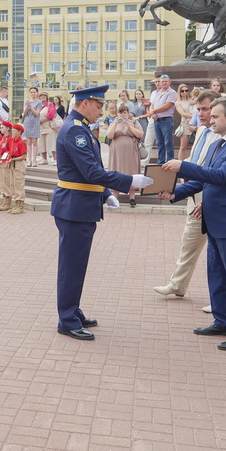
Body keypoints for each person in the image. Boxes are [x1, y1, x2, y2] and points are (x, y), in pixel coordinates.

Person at [52, 85, 152, 340]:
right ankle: (67, 319)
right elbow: (92, 172)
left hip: (80, 204)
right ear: (85, 103)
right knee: (71, 266)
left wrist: (105, 193)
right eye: (98, 106)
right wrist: (128, 180)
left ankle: (73, 310)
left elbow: (90, 169)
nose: (101, 111)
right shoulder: (76, 130)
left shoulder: (81, 127)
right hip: (74, 207)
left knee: (78, 264)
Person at [160, 96, 226, 352]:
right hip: (214, 219)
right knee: (217, 274)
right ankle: (224, 321)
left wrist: (184, 166)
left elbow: (222, 176)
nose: (209, 120)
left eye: (215, 116)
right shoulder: (220, 144)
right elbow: (207, 181)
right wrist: (176, 194)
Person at [153, 90, 222, 298]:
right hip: (195, 198)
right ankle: (177, 284)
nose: (200, 113)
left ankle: (220, 301)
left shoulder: (225, 137)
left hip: (213, 202)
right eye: (198, 109)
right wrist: (172, 186)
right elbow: (193, 162)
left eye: (206, 109)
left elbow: (218, 175)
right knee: (188, 245)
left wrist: (181, 168)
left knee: (219, 255)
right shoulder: (201, 131)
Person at [106, 104, 144, 207]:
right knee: (117, 171)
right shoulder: (114, 123)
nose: (122, 115)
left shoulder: (134, 122)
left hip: (131, 152)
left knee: (131, 172)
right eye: (120, 112)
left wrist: (130, 126)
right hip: (117, 153)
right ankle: (115, 197)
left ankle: (132, 198)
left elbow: (140, 134)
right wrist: (114, 124)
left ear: (128, 113)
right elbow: (109, 135)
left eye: (124, 112)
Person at [149, 74, 178, 164]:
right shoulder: (157, 92)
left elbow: (166, 106)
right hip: (157, 120)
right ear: (160, 83)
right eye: (162, 81)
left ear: (169, 82)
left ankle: (170, 162)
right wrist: (152, 113)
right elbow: (152, 104)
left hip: (166, 120)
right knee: (159, 143)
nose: (164, 83)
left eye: (166, 81)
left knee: (168, 143)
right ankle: (160, 162)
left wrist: (153, 111)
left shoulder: (172, 93)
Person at [6, 123, 27, 214]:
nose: (12, 132)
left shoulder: (21, 142)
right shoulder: (12, 141)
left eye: (14, 131)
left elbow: (24, 156)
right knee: (13, 184)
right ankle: (15, 204)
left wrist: (13, 159)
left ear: (19, 132)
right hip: (12, 163)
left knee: (19, 184)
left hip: (18, 163)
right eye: (12, 130)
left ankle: (20, 205)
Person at [22, 86, 43, 167]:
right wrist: (27, 107)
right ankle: (29, 160)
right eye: (31, 92)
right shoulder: (27, 101)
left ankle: (34, 160)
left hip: (35, 122)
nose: (33, 93)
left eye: (34, 92)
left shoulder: (39, 102)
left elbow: (37, 113)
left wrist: (31, 107)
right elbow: (24, 113)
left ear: (37, 93)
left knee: (34, 142)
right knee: (28, 142)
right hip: (27, 122)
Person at [175, 84, 194, 160]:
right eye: (182, 91)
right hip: (185, 124)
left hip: (194, 123)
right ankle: (180, 162)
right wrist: (194, 116)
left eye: (186, 90)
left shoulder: (191, 100)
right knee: (183, 146)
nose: (184, 92)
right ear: (179, 92)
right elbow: (182, 113)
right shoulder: (178, 102)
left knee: (195, 144)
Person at [38, 92, 57, 165]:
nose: (42, 97)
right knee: (42, 144)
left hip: (49, 127)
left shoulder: (50, 104)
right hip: (41, 128)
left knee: (52, 144)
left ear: (47, 97)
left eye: (44, 96)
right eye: (41, 96)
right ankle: (44, 159)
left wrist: (43, 120)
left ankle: (55, 159)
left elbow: (51, 114)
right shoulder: (39, 106)